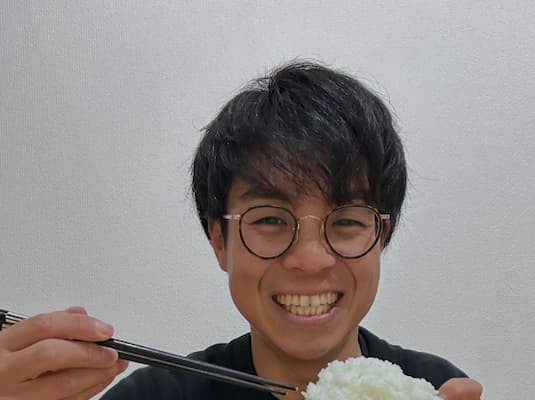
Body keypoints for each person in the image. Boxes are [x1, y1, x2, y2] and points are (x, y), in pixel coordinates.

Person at [0, 62, 483, 400]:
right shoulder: (157, 395)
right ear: (219, 240)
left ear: (382, 237)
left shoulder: (432, 387)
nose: (311, 259)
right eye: (270, 220)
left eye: (347, 222)